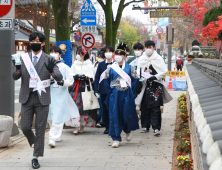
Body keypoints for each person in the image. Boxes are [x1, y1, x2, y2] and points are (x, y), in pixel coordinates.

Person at [12, 32, 63, 169]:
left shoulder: (49, 59)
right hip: (26, 96)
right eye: (33, 40)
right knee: (25, 127)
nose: (35, 42)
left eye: (38, 40)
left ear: (43, 43)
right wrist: (17, 70)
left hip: (42, 97)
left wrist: (52, 71)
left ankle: (35, 157)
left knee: (40, 128)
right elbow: (15, 76)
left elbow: (59, 76)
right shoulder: (23, 58)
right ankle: (34, 141)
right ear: (29, 43)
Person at [104, 43, 139, 148]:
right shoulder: (111, 68)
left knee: (126, 113)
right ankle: (116, 138)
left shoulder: (130, 68)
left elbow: (136, 80)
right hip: (114, 95)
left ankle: (128, 130)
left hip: (127, 94)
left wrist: (131, 92)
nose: (118, 56)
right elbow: (106, 81)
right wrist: (110, 92)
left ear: (124, 56)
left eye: (121, 54)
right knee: (114, 115)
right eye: (117, 54)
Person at [137, 40, 172, 136]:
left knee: (155, 107)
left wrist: (155, 77)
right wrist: (141, 77)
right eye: (147, 47)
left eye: (150, 47)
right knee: (144, 106)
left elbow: (164, 71)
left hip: (156, 85)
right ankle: (145, 125)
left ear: (153, 47)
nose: (148, 49)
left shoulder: (158, 58)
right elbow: (138, 71)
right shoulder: (142, 58)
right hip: (145, 86)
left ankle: (156, 127)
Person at [47, 46, 80, 148]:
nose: (53, 53)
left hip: (60, 94)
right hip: (49, 94)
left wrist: (62, 82)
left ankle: (52, 137)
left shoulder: (65, 67)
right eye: (51, 52)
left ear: (60, 55)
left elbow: (70, 80)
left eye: (55, 52)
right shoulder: (46, 66)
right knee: (50, 116)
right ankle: (56, 135)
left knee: (58, 115)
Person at [70, 49, 97, 134]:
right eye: (77, 54)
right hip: (75, 87)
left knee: (84, 107)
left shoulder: (90, 65)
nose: (78, 55)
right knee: (75, 106)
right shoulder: (74, 65)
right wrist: (75, 76)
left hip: (85, 87)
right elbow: (70, 76)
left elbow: (93, 77)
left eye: (79, 54)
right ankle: (76, 126)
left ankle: (82, 125)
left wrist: (87, 77)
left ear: (84, 55)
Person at [94, 46, 115, 134]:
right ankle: (107, 127)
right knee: (105, 109)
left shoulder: (117, 64)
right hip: (103, 90)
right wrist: (95, 89)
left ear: (113, 53)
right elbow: (97, 77)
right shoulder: (101, 64)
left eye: (110, 51)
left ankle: (114, 126)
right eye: (106, 51)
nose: (108, 53)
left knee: (114, 109)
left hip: (114, 90)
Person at [93, 50, 106, 128]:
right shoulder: (95, 64)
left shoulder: (105, 65)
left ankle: (103, 121)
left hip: (103, 87)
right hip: (96, 86)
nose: (100, 58)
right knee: (98, 105)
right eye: (99, 57)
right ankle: (98, 120)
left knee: (103, 105)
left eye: (102, 57)